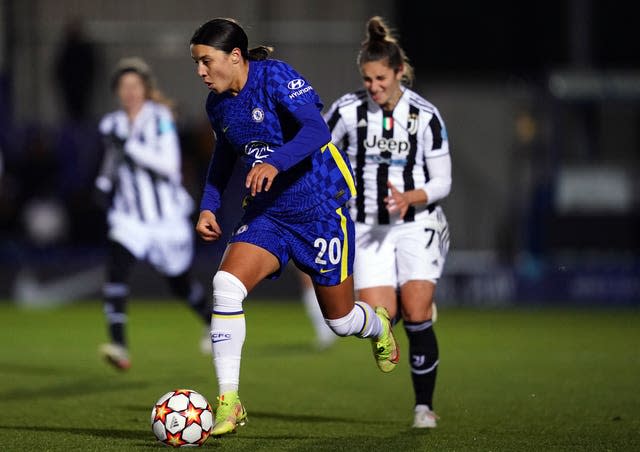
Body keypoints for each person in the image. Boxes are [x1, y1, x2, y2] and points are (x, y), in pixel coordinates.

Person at [189, 17, 399, 437]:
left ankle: (377, 325)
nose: (200, 72)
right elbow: (224, 159)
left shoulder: (276, 76)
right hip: (268, 213)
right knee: (226, 286)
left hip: (320, 207)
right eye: (196, 62)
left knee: (339, 322)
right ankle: (230, 400)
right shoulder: (217, 105)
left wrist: (275, 161)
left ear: (234, 57)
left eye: (206, 61)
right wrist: (209, 205)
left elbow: (316, 129)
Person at [323, 16, 452, 428]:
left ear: (399, 72)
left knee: (415, 312)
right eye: (367, 80)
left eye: (381, 79)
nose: (374, 87)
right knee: (381, 318)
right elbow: (319, 152)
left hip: (417, 222)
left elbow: (444, 180)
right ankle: (392, 320)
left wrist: (411, 196)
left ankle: (423, 408)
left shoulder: (426, 116)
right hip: (366, 227)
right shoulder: (347, 110)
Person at [95, 57, 211, 370]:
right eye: (124, 86)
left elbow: (169, 166)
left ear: (145, 89)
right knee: (116, 269)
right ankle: (119, 345)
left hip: (167, 220)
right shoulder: (113, 124)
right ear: (117, 91)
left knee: (179, 284)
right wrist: (103, 183)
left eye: (135, 85)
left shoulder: (160, 118)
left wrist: (130, 147)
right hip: (130, 217)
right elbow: (112, 159)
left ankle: (211, 322)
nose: (130, 91)